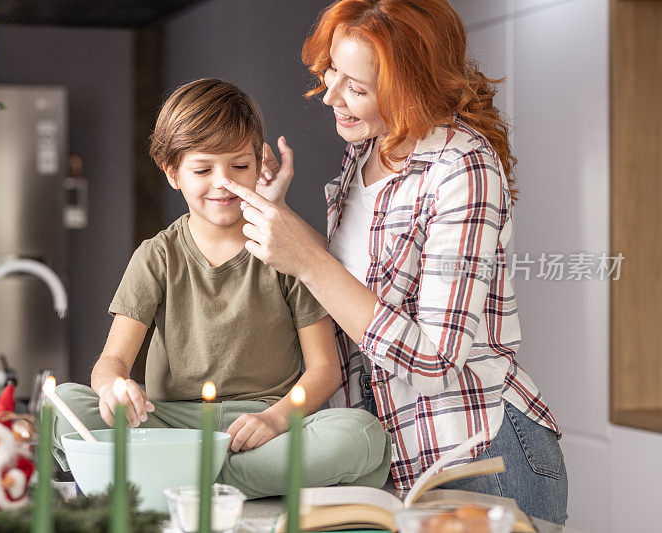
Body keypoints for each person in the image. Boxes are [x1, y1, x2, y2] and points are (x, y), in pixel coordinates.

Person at [220, 0, 568, 524]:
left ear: (412, 87)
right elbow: (362, 289)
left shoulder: (462, 170)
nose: (331, 95)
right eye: (332, 71)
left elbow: (433, 360)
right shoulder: (370, 148)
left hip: (482, 459)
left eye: (356, 88)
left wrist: (309, 261)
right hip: (403, 459)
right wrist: (283, 220)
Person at [50, 78, 392, 499]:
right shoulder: (156, 257)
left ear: (260, 164)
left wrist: (276, 420)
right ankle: (219, 480)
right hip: (171, 426)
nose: (222, 183)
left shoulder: (286, 251)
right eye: (202, 169)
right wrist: (114, 388)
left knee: (359, 433)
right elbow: (111, 361)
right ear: (173, 173)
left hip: (264, 429)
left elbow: (324, 369)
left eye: (239, 166)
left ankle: (171, 481)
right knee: (62, 405)